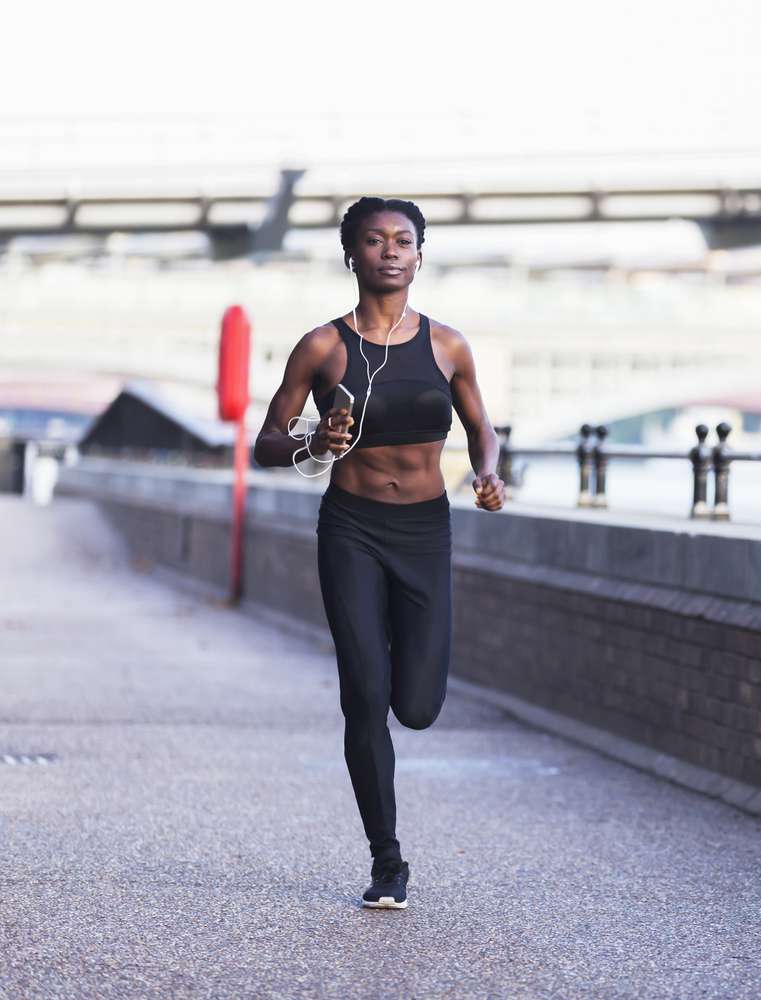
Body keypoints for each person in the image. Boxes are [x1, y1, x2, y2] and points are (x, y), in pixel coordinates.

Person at [253, 196, 504, 909]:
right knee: (364, 695)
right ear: (352, 255)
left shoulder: (449, 346)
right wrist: (313, 441)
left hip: (425, 531)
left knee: (417, 707)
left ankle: (397, 672)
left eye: (403, 240)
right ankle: (386, 860)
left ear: (419, 256)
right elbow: (267, 441)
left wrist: (488, 472)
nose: (390, 250)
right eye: (374, 240)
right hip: (353, 528)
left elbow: (484, 429)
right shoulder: (323, 347)